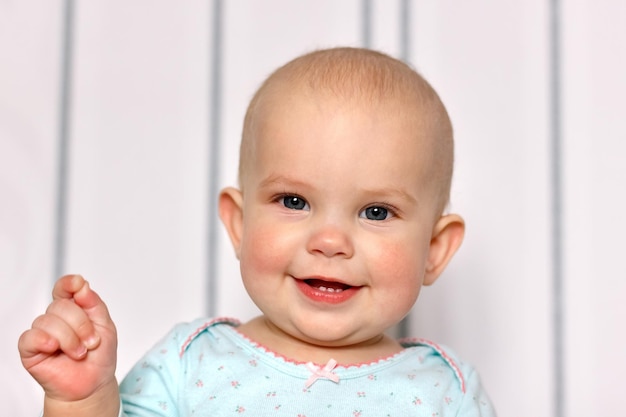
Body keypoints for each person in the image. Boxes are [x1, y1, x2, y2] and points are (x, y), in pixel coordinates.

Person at [19, 47, 496, 416]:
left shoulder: (444, 391)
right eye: (294, 202)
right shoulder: (190, 363)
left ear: (433, 250)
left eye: (375, 212)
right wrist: (82, 401)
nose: (330, 242)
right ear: (240, 223)